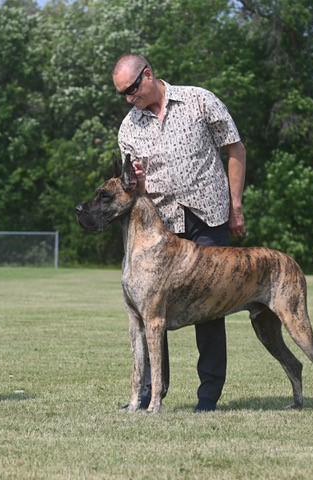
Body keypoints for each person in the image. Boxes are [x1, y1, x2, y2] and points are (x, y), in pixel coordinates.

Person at [112, 53, 247, 412]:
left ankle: (208, 398)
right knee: (150, 311)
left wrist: (235, 206)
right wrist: (138, 182)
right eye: (122, 94)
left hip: (209, 216)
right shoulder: (128, 128)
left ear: (148, 74)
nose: (128, 98)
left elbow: (235, 149)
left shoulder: (199, 100)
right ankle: (149, 393)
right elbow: (133, 190)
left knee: (210, 310)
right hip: (162, 227)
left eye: (131, 89)